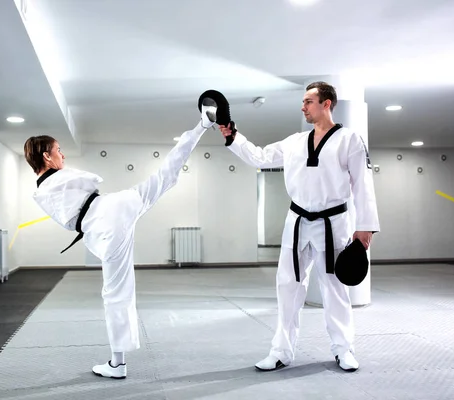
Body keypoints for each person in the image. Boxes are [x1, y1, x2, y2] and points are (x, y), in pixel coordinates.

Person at [23, 101, 217, 379]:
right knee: (166, 173)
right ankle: (202, 125)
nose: (63, 155)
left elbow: (76, 203)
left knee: (115, 294)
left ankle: (118, 364)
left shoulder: (44, 190)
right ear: (46, 156)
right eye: (58, 150)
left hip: (106, 226)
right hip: (117, 207)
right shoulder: (53, 184)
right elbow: (90, 181)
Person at [219, 81, 380, 372]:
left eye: (308, 101)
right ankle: (281, 351)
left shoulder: (349, 140)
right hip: (296, 221)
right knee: (287, 286)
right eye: (303, 102)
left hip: (334, 222)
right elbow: (260, 156)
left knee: (334, 288)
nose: (303, 106)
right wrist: (234, 138)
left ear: (327, 103)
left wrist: (365, 227)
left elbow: (363, 184)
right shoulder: (294, 141)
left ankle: (344, 349)